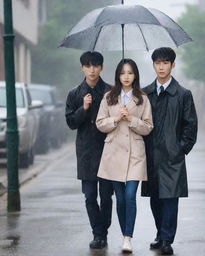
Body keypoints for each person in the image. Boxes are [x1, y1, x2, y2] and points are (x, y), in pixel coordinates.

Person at [142, 47, 198, 255]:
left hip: (172, 155)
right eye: (158, 62)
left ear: (173, 65)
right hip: (150, 155)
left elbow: (190, 125)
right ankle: (159, 233)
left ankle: (167, 238)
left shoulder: (183, 94)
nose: (162, 66)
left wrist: (180, 148)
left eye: (166, 62)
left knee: (170, 197)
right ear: (154, 65)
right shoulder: (145, 93)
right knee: (155, 197)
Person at [96, 58, 153, 253]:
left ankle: (128, 237)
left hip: (135, 154)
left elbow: (148, 127)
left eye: (130, 72)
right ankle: (124, 236)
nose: (126, 76)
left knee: (130, 196)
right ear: (117, 75)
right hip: (113, 155)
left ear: (135, 75)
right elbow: (100, 123)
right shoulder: (109, 97)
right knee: (119, 200)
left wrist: (131, 119)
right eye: (122, 73)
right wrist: (116, 118)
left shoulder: (143, 98)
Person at [65, 51, 113, 249]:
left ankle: (103, 230)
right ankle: (98, 233)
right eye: (88, 65)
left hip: (108, 151)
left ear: (101, 67)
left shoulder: (111, 92)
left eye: (95, 65)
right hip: (86, 153)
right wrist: (83, 108)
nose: (92, 70)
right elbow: (71, 123)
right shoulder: (75, 94)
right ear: (82, 68)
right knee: (90, 196)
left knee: (107, 196)